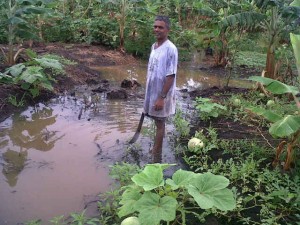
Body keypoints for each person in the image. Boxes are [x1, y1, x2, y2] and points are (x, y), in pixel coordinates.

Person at [143, 15, 178, 163]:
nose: (157, 29)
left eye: (160, 27)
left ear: (168, 30)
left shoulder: (171, 49)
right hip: (152, 92)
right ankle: (156, 149)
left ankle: (156, 155)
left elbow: (170, 76)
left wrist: (161, 98)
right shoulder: (154, 46)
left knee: (160, 124)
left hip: (162, 94)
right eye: (155, 26)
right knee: (156, 121)